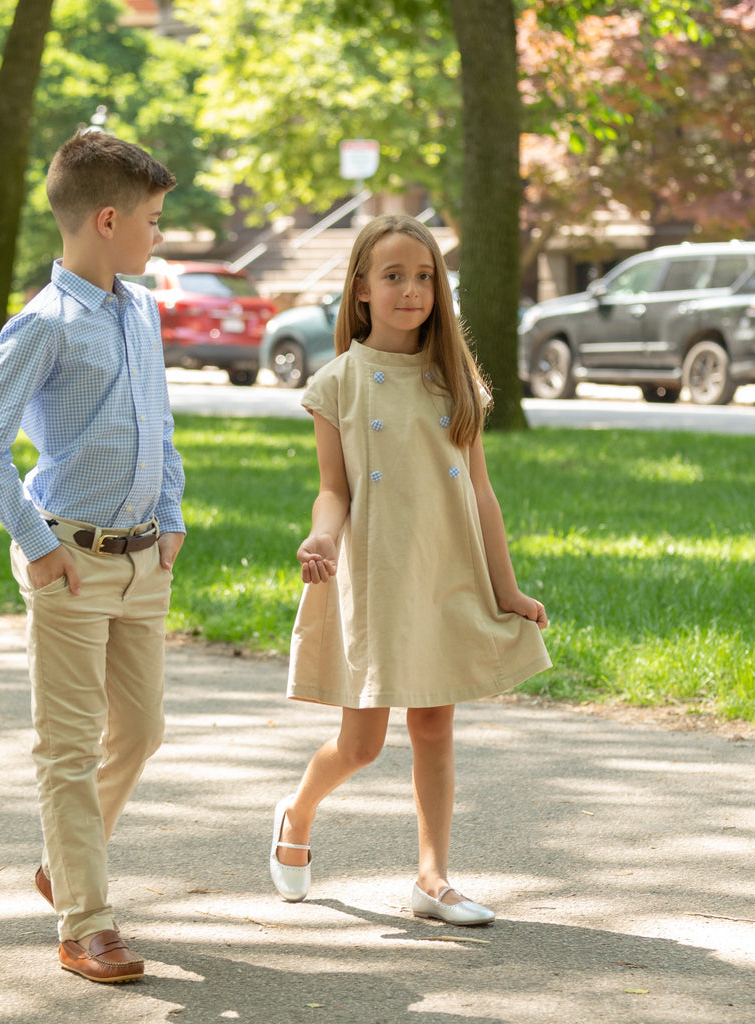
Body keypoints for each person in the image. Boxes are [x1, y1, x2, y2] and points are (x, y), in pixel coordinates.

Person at [270, 214, 551, 926]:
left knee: (434, 724)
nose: (412, 290)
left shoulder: (454, 382)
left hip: (444, 571)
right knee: (361, 744)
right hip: (378, 576)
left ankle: (433, 878)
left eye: (425, 276)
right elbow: (334, 489)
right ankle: (297, 813)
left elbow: (480, 492)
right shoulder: (339, 384)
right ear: (362, 288)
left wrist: (506, 588)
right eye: (394, 276)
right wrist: (321, 537)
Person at [0, 130, 185, 983]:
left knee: (142, 729)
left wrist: (171, 520)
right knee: (67, 745)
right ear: (107, 218)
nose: (159, 234)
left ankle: (65, 859)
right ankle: (86, 919)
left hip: (142, 565)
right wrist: (40, 548)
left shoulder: (141, 310)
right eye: (154, 220)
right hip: (73, 564)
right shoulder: (42, 326)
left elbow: (158, 425)